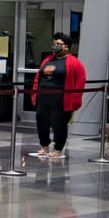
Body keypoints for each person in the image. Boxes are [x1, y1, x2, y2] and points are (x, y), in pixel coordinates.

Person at [31, 33, 86, 161]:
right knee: (41, 122)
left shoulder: (74, 62)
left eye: (58, 44)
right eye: (54, 43)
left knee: (59, 124)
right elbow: (39, 77)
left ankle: (58, 149)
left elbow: (80, 81)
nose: (55, 46)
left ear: (66, 47)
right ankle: (44, 145)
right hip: (43, 98)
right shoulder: (47, 59)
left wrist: (75, 102)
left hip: (60, 100)